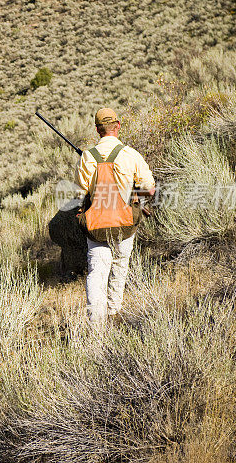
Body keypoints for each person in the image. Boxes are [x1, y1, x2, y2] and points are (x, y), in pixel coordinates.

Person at [75, 108, 156, 326]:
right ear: (118, 125)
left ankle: (96, 323)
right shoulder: (130, 154)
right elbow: (149, 190)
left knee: (96, 271)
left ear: (97, 129)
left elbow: (79, 194)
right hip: (125, 223)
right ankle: (114, 312)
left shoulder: (87, 157)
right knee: (120, 265)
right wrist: (133, 194)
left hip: (96, 226)